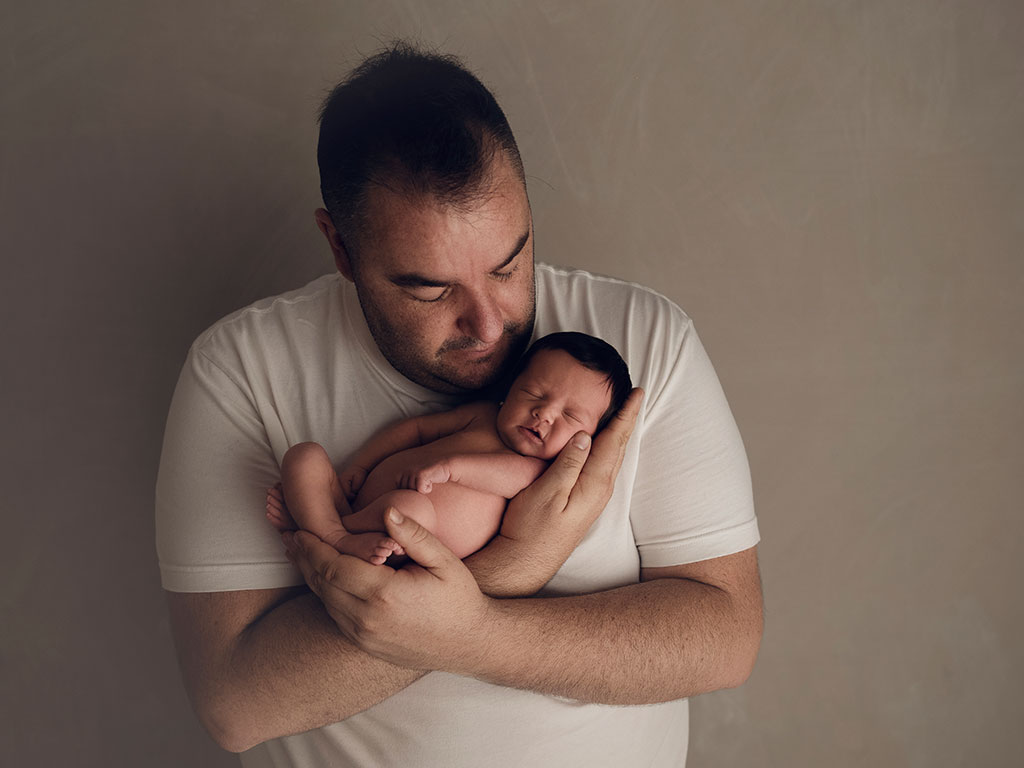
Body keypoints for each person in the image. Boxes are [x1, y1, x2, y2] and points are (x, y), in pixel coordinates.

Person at [156, 42, 762, 767]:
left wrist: (473, 632)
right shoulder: (243, 371)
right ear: (341, 249)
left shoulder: (640, 346)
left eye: (509, 264)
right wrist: (509, 567)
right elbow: (236, 705)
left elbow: (725, 637)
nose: (489, 322)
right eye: (429, 287)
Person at [267, 332, 632, 565]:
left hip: (405, 540)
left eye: (570, 415)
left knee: (410, 509)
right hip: (362, 503)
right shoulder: (482, 416)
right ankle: (328, 523)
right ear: (508, 390)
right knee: (305, 455)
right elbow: (415, 429)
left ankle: (330, 533)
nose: (545, 413)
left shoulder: (541, 472)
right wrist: (360, 466)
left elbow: (503, 476)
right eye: (534, 393)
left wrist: (450, 469)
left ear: (586, 442)